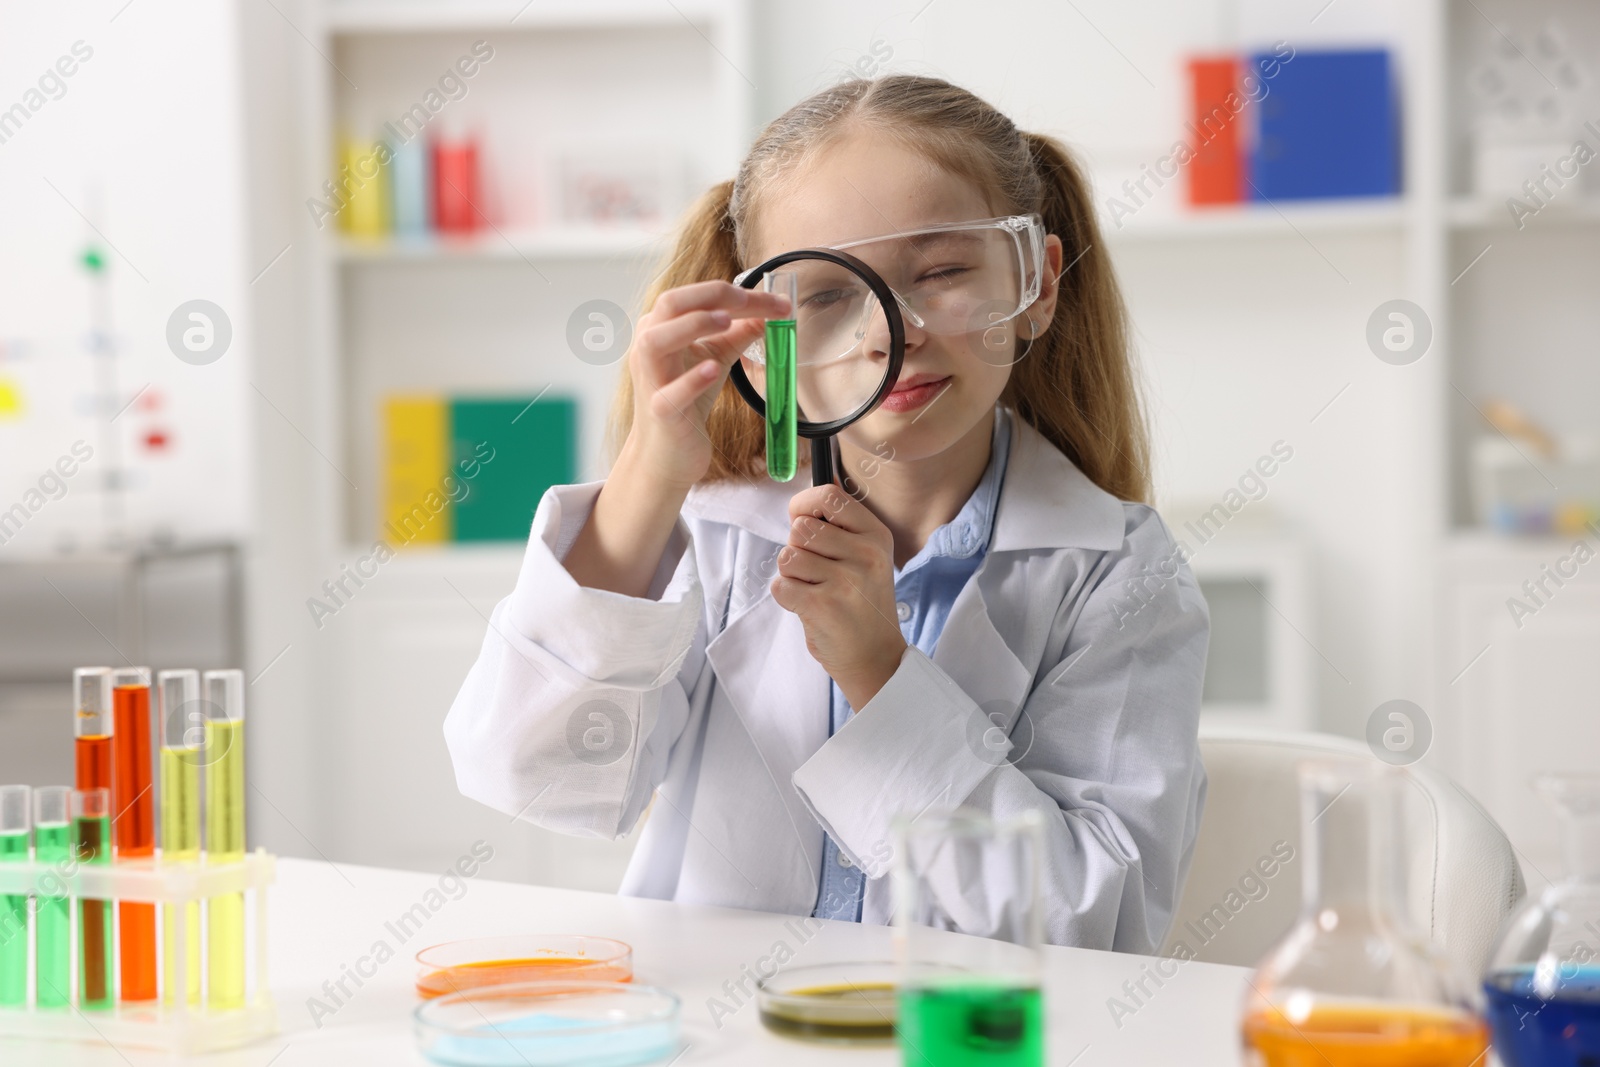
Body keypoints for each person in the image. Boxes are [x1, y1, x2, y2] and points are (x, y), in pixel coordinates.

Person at [445, 74, 1209, 953]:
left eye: (945, 270)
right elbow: (531, 775)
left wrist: (881, 673)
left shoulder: (1119, 576)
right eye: (826, 294)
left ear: (1036, 281)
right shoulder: (718, 537)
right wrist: (646, 481)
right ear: (764, 339)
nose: (890, 331)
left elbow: (1094, 927)